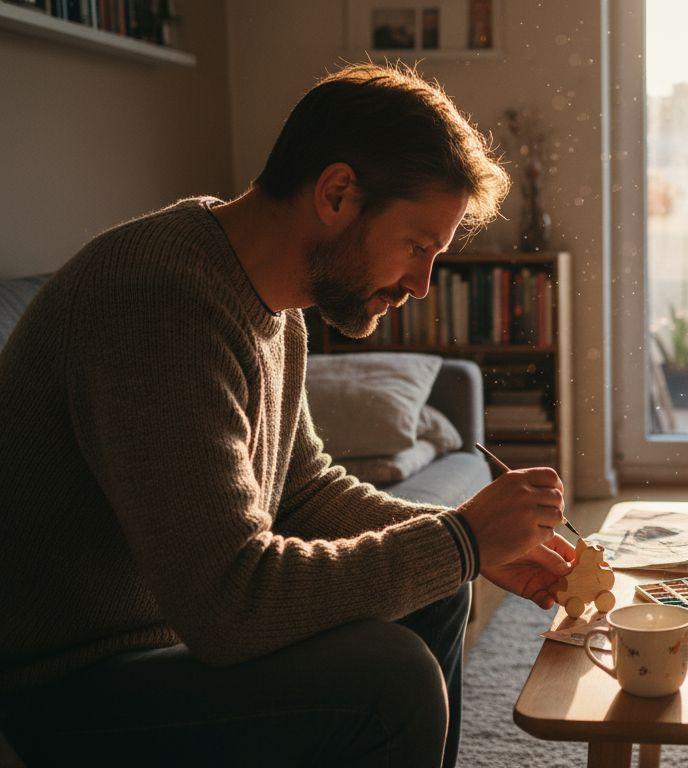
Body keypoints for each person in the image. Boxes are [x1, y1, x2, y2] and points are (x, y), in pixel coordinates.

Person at [0, 63, 575, 767]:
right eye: (417, 246)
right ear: (336, 194)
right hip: (64, 687)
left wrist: (467, 543)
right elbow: (229, 604)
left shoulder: (275, 304)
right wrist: (460, 542)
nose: (423, 284)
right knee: (391, 680)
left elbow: (303, 493)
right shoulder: (157, 300)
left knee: (437, 591)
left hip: (164, 646)